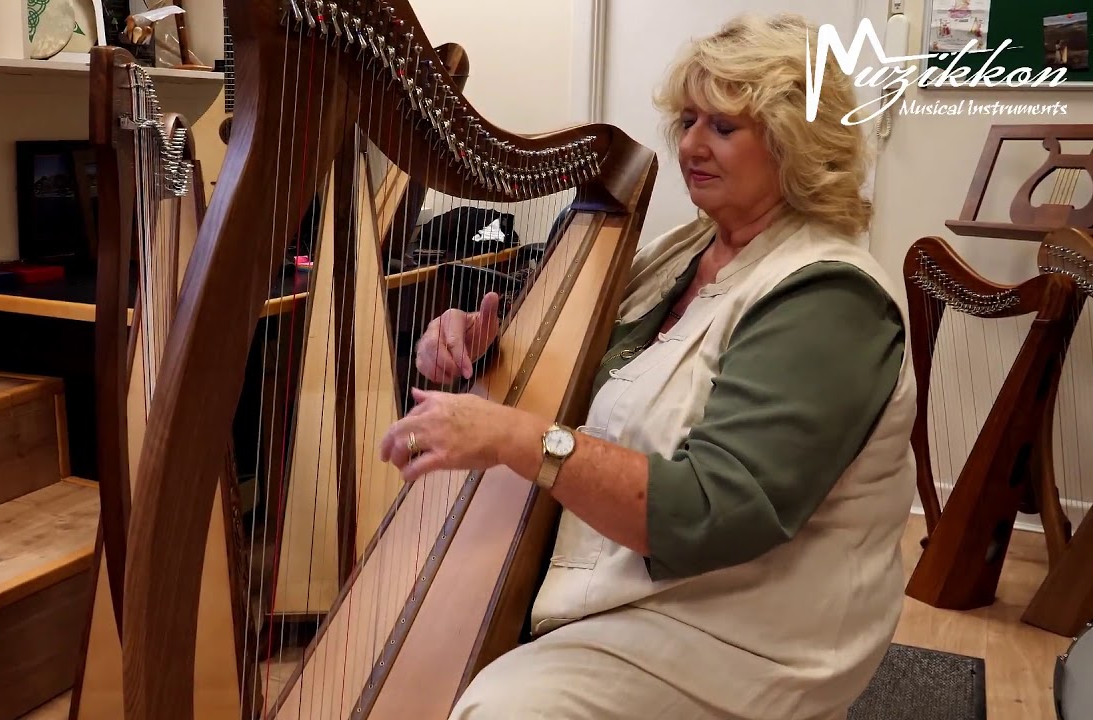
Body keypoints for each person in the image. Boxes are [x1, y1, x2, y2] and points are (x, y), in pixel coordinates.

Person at [377, 12, 918, 720]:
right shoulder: (686, 247)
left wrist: (512, 437)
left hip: (741, 625)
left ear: (797, 144)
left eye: (724, 127)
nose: (691, 144)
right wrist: (478, 340)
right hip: (631, 582)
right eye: (689, 119)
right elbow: (614, 370)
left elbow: (713, 514)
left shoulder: (827, 299)